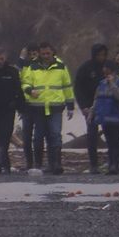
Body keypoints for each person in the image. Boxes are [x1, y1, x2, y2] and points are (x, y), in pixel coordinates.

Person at [20, 42, 75, 173]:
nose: (45, 56)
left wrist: (70, 106)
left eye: (48, 53)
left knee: (55, 135)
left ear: (53, 52)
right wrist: (29, 91)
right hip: (37, 107)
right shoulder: (32, 66)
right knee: (38, 137)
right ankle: (38, 164)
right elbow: (25, 83)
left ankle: (55, 164)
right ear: (39, 53)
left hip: (55, 107)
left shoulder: (61, 66)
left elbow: (67, 86)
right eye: (43, 53)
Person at [73, 43, 110, 173]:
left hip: (107, 105)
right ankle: (93, 164)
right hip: (90, 106)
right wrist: (83, 106)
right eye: (99, 55)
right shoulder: (85, 68)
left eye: (104, 55)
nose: (102, 57)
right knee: (92, 133)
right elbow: (78, 88)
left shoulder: (108, 67)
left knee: (110, 133)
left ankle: (113, 162)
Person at [92, 60, 119, 173]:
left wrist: (112, 85)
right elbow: (97, 99)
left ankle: (114, 165)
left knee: (115, 142)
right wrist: (92, 113)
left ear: (114, 72)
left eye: (108, 74)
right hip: (105, 118)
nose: (106, 76)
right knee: (110, 143)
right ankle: (112, 164)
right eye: (104, 74)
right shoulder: (101, 84)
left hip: (118, 118)